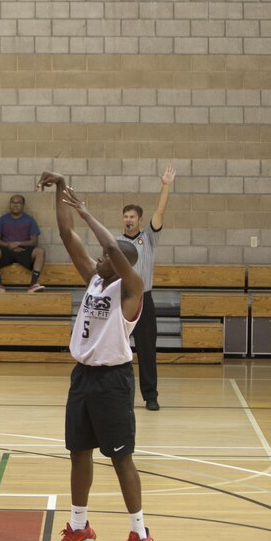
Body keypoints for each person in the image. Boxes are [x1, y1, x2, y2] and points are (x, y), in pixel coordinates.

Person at [37, 171, 156, 541]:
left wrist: (87, 213)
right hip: (83, 376)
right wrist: (60, 188)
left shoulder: (132, 288)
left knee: (121, 458)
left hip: (113, 380)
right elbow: (66, 234)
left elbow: (110, 245)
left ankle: (140, 534)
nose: (100, 258)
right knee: (78, 453)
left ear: (121, 263)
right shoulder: (95, 279)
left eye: (107, 257)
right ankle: (78, 526)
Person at [117, 164, 176, 411]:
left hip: (145, 300)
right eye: (126, 216)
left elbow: (159, 213)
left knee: (147, 350)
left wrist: (165, 186)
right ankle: (120, 395)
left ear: (140, 220)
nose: (128, 220)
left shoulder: (148, 238)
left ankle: (150, 395)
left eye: (132, 217)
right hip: (122, 300)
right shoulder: (116, 242)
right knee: (118, 350)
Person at [0, 194, 47, 293]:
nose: (15, 205)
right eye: (13, 202)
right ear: (10, 204)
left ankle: (33, 284)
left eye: (18, 203)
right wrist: (8, 245)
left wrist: (19, 244)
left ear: (23, 205)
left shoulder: (30, 220)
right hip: (7, 251)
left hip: (24, 251)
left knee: (40, 251)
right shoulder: (2, 219)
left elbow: (34, 241)